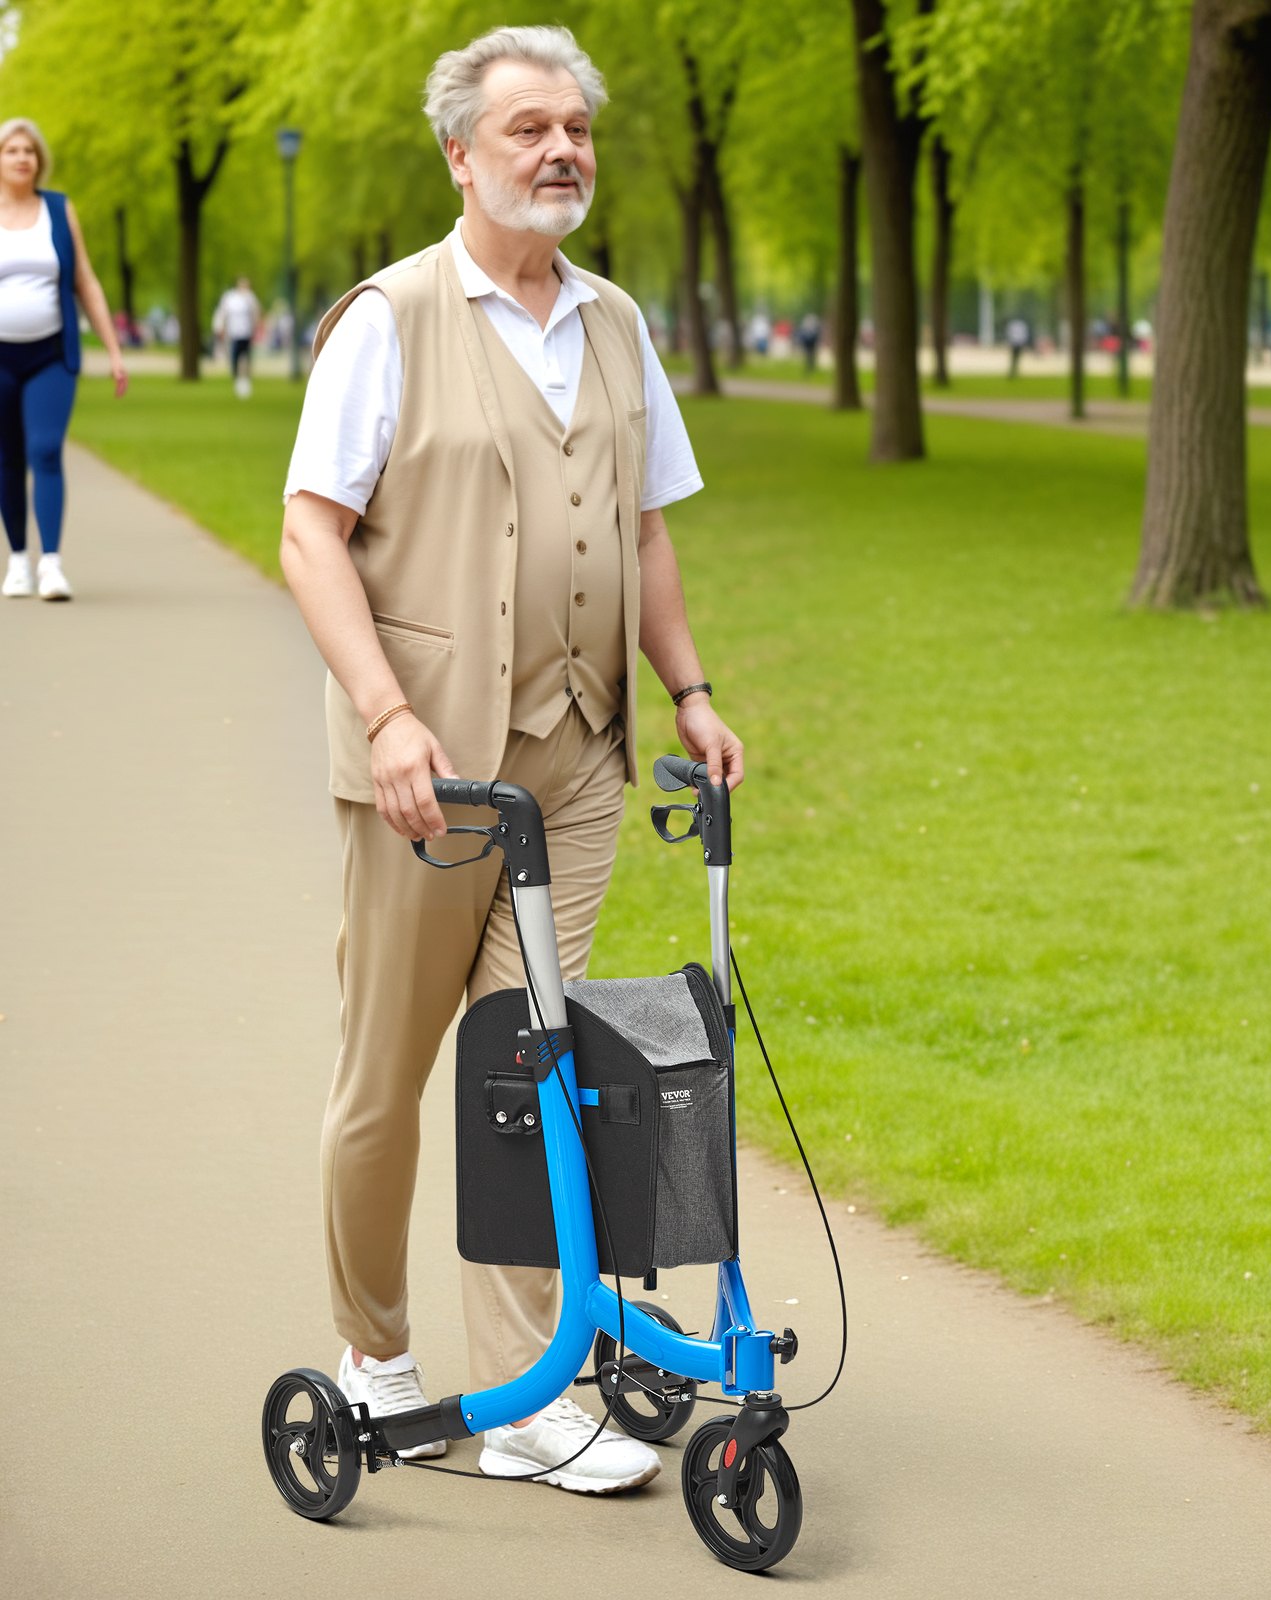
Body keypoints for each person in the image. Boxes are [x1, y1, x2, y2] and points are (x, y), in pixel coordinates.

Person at [279, 25, 742, 1491]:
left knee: (536, 1072)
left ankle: (528, 1392)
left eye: (578, 132)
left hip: (579, 762)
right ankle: (373, 1346)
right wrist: (385, 710)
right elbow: (310, 534)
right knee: (389, 1076)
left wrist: (689, 689)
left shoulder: (614, 323)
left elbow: (650, 524)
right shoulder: (389, 321)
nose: (560, 152)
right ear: (461, 155)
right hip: (430, 784)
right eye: (529, 129)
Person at [0, 118, 126, 601]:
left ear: (39, 160)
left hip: (50, 355)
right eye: (12, 150)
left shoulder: (58, 209)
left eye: (29, 150)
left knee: (46, 450)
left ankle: (50, 564)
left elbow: (86, 283)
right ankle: (17, 561)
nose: (21, 157)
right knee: (8, 459)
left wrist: (114, 351)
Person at [212, 275, 261, 398]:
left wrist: (255, 327)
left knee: (246, 357)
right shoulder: (230, 298)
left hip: (246, 333)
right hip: (234, 333)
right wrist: (221, 327)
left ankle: (245, 379)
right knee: (235, 357)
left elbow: (256, 312)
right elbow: (223, 313)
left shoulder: (250, 298)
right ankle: (236, 378)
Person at [1004, 314, 1030, 378]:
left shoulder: (1013, 324)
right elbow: (1024, 334)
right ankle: (1013, 372)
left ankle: (1013, 372)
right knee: (1015, 359)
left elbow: (1009, 333)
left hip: (1015, 343)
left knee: (1014, 359)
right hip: (1017, 343)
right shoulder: (1021, 324)